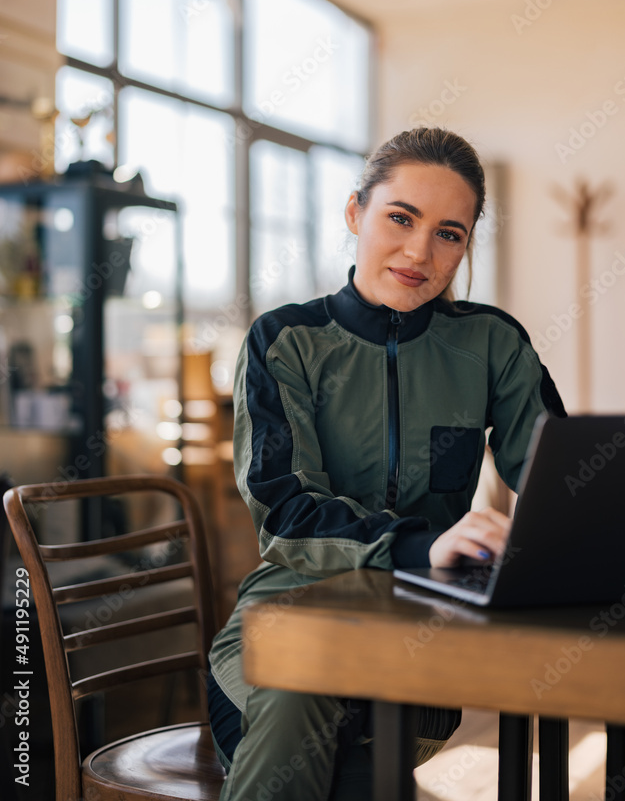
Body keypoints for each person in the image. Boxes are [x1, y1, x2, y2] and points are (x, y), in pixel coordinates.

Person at [207, 127, 566, 800]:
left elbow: (563, 486)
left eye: (449, 234)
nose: (418, 252)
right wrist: (423, 544)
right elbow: (285, 516)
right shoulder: (284, 342)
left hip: (424, 638)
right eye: (400, 218)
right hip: (287, 617)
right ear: (354, 213)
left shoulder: (491, 344)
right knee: (300, 701)